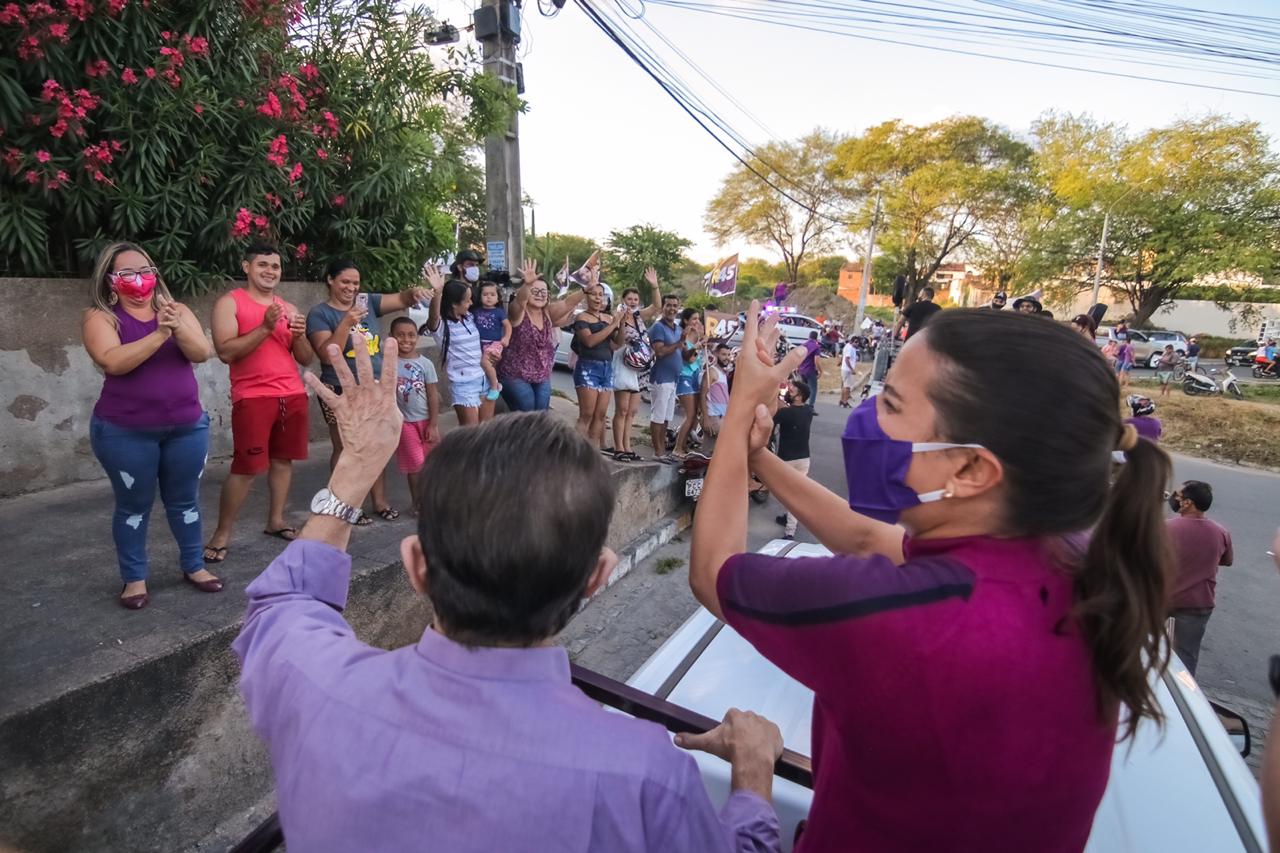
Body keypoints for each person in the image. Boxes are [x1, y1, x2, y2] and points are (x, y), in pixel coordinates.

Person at [233, 337, 786, 852]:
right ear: (598, 577)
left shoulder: (318, 687)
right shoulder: (645, 774)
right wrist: (753, 778)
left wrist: (357, 465)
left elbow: (284, 605)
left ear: (416, 565)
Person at [690, 303, 1174, 852]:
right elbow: (870, 539)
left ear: (971, 469)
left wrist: (737, 414)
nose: (869, 415)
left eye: (892, 404)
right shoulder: (1069, 560)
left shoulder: (908, 621)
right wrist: (759, 459)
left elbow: (713, 573)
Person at [83, 242, 218, 609]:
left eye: (144, 271)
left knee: (185, 501)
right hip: (125, 432)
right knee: (133, 506)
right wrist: (159, 334)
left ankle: (194, 566)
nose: (138, 279)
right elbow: (112, 361)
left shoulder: (177, 310)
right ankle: (134, 579)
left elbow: (202, 353)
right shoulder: (102, 317)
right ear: (111, 280)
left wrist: (174, 325)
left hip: (186, 428)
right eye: (127, 273)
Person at [205, 242, 315, 560]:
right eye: (263, 265)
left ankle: (276, 520)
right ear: (247, 267)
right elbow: (227, 352)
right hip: (253, 396)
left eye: (275, 266)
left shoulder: (289, 308)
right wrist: (266, 327)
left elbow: (305, 358)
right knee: (246, 467)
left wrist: (299, 335)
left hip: (291, 394)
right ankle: (222, 533)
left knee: (283, 461)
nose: (270, 271)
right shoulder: (230, 303)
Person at [305, 258, 431, 520]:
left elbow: (402, 299)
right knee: (346, 448)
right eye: (345, 282)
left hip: (373, 387)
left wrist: (414, 293)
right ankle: (345, 504)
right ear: (330, 280)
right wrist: (346, 322)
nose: (351, 288)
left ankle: (380, 502)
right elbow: (327, 355)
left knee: (376, 446)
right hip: (339, 388)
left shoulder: (368, 302)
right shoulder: (320, 314)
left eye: (355, 283)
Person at [1166, 481, 1233, 678]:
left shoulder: (1166, 528)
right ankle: (1182, 701)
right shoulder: (1221, 532)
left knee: (1145, 646)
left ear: (1187, 503)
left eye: (1177, 495)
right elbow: (1227, 561)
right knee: (1186, 658)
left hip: (1162, 599)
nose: (1174, 498)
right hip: (1198, 604)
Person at [500, 258, 584, 412]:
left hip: (541, 375)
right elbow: (520, 301)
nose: (539, 295)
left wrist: (586, 289)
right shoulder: (517, 313)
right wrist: (527, 284)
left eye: (543, 292)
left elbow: (567, 303)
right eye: (535, 291)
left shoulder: (547, 314)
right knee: (527, 410)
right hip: (514, 375)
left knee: (542, 414)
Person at [423, 265, 493, 426]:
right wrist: (438, 292)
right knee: (471, 436)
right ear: (454, 304)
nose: (471, 302)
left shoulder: (468, 317)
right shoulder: (441, 326)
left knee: (487, 432)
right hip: (464, 384)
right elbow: (433, 317)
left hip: (483, 379)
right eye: (467, 300)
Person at [609, 267, 663, 461]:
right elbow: (617, 342)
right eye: (629, 299)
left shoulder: (640, 316)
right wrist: (621, 322)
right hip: (624, 364)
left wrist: (654, 285)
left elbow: (657, 306)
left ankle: (628, 446)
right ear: (623, 300)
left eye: (635, 299)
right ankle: (618, 447)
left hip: (640, 368)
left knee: (632, 411)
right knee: (622, 409)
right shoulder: (616, 317)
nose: (632, 302)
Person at [389, 317, 440, 512]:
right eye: (400, 335)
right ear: (391, 337)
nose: (406, 339)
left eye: (411, 335)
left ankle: (432, 500)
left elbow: (433, 395)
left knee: (432, 463)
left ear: (417, 338)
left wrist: (434, 424)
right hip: (405, 424)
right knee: (415, 465)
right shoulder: (389, 364)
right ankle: (418, 503)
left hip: (427, 421)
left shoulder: (425, 364)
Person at [571, 277, 626, 449]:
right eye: (593, 294)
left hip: (606, 368)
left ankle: (592, 453)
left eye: (600, 295)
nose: (597, 298)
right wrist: (613, 324)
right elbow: (589, 341)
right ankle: (575, 452)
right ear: (586, 296)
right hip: (588, 366)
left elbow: (616, 344)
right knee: (586, 414)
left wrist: (622, 324)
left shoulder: (608, 318)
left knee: (600, 415)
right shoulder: (582, 317)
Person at [771, 379, 813, 541]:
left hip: (787, 459)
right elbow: (794, 411)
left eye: (792, 391)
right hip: (804, 458)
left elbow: (771, 423)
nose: (789, 392)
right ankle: (789, 517)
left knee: (790, 494)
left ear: (799, 396)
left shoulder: (785, 414)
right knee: (793, 492)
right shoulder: (809, 411)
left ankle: (790, 531)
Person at [648, 293, 684, 463]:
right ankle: (657, 452)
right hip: (661, 379)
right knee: (658, 416)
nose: (672, 309)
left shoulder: (677, 328)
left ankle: (662, 450)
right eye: (668, 305)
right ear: (663, 307)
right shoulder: (658, 327)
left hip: (673, 380)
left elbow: (683, 353)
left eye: (675, 306)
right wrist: (679, 343)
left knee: (666, 418)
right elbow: (660, 352)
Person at [673, 308, 707, 457]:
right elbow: (687, 357)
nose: (697, 322)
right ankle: (677, 448)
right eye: (694, 319)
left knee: (694, 416)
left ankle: (685, 444)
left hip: (694, 377)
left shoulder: (697, 336)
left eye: (698, 319)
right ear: (686, 320)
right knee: (690, 414)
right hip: (684, 377)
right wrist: (697, 346)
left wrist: (702, 343)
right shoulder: (682, 336)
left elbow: (696, 359)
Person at [472, 280, 511, 402]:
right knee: (485, 367)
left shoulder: (499, 312)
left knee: (485, 363)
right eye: (485, 294)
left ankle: (495, 386)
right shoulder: (476, 311)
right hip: (479, 343)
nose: (489, 297)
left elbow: (508, 326)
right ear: (480, 297)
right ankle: (488, 386)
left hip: (495, 343)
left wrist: (506, 338)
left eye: (492, 295)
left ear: (498, 298)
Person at [702, 344, 732, 437]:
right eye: (723, 354)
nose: (726, 357)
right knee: (711, 450)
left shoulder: (723, 373)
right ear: (716, 354)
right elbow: (702, 395)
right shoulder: (711, 372)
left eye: (728, 354)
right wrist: (706, 418)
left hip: (722, 417)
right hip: (713, 417)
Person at [794, 330, 822, 413]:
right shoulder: (816, 347)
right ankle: (810, 407)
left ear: (809, 336)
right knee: (813, 389)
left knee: (802, 388)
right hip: (810, 370)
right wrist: (820, 371)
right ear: (816, 338)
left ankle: (799, 404)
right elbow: (816, 360)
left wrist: (797, 367)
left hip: (802, 370)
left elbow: (799, 357)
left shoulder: (803, 345)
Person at [839, 336, 859, 408]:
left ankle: (841, 400)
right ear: (852, 341)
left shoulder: (847, 346)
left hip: (844, 368)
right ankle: (845, 401)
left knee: (844, 386)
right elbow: (847, 359)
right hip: (847, 369)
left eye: (857, 342)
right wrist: (852, 369)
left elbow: (843, 356)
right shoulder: (850, 348)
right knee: (847, 387)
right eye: (856, 342)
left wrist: (840, 362)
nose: (857, 344)